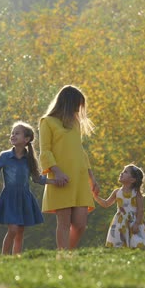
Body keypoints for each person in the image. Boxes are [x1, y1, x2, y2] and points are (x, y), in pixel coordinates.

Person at [0, 121, 55, 255]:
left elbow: (37, 178)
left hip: (24, 197)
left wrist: (54, 181)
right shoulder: (5, 156)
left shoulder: (29, 158)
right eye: (12, 133)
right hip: (9, 197)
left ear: (26, 139)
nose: (12, 135)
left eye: (17, 133)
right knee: (13, 229)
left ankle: (15, 259)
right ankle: (4, 258)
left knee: (20, 232)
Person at [39, 85, 99, 251]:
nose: (78, 110)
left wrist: (91, 177)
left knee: (80, 224)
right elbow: (45, 151)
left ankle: (68, 253)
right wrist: (56, 172)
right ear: (68, 103)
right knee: (64, 222)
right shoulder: (47, 122)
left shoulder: (75, 123)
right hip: (60, 178)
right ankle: (63, 256)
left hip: (79, 179)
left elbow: (80, 151)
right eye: (77, 105)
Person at [93, 164, 145, 248]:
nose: (121, 173)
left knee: (136, 242)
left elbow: (140, 210)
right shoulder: (117, 192)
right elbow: (106, 204)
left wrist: (137, 223)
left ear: (132, 180)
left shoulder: (137, 194)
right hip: (119, 223)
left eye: (125, 172)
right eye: (123, 171)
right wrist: (96, 197)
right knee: (118, 243)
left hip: (134, 222)